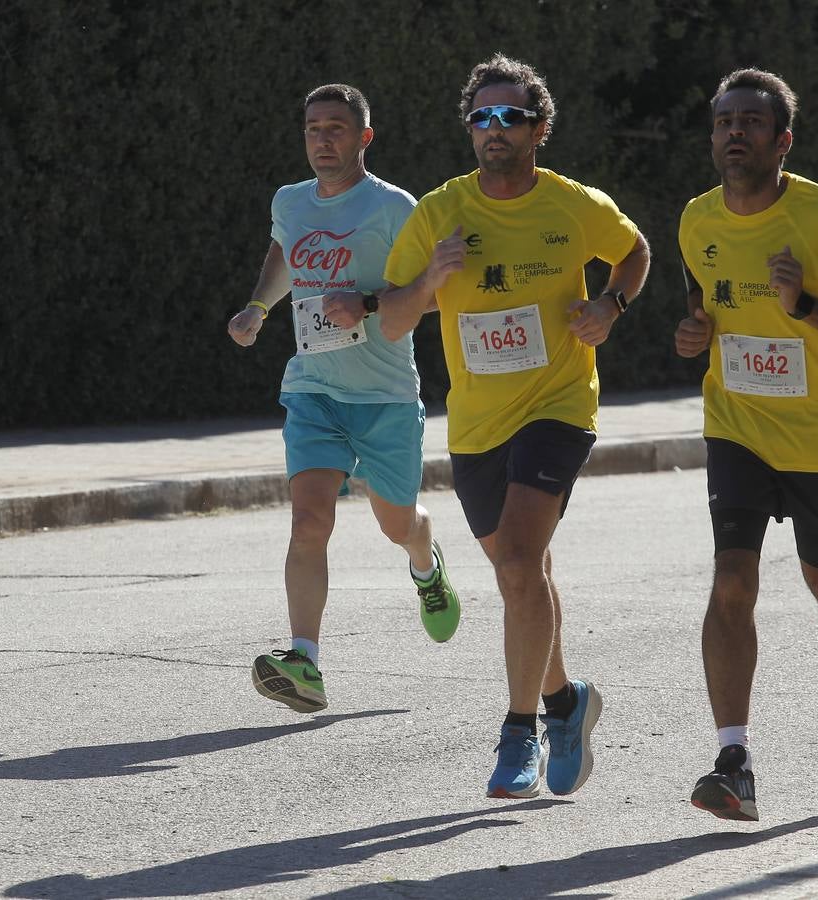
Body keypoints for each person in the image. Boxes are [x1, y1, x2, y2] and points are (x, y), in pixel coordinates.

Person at [378, 54, 650, 799]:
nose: (494, 129)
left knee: (521, 564)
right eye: (481, 117)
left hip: (558, 406)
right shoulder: (438, 212)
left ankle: (517, 732)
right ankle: (568, 703)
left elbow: (633, 253)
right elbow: (392, 315)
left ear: (539, 129)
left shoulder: (572, 205)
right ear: (470, 129)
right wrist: (430, 280)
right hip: (476, 426)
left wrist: (609, 309)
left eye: (510, 116)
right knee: (520, 574)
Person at [673, 67, 818, 821]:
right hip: (737, 426)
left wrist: (805, 303)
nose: (733, 132)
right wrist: (693, 333)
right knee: (731, 580)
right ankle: (733, 758)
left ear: (783, 140)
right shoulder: (697, 221)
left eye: (750, 121)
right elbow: (702, 308)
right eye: (722, 121)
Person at [227, 83, 460, 716]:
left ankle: (425, 559)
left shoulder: (396, 208)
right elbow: (283, 248)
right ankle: (305, 660)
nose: (322, 139)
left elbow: (434, 291)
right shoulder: (290, 202)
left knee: (396, 524)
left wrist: (370, 303)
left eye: (335, 128)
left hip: (383, 395)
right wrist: (257, 306)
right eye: (312, 129)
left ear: (364, 137)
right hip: (313, 388)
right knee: (309, 520)